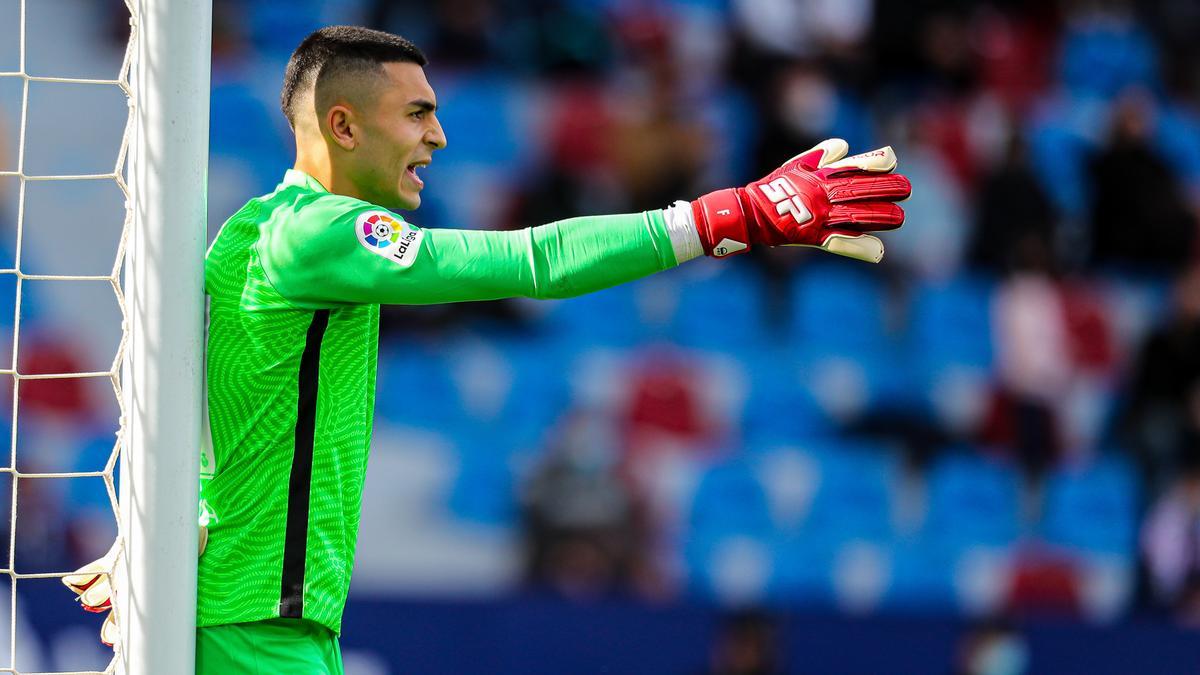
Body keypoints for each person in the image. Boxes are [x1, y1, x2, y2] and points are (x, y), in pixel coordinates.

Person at [64, 25, 910, 674]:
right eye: (419, 113)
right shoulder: (314, 234)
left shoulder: (250, 233)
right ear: (343, 124)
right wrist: (728, 217)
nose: (437, 137)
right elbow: (532, 260)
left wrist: (158, 532)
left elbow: (195, 399)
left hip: (244, 610)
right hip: (254, 621)